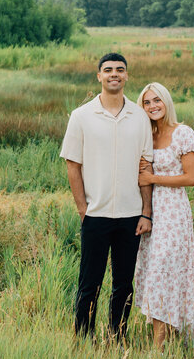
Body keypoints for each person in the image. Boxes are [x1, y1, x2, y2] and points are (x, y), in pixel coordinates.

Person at [60, 53, 154, 340]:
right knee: (90, 282)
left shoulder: (140, 117)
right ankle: (84, 338)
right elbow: (72, 164)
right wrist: (82, 208)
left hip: (130, 215)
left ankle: (118, 335)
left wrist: (146, 211)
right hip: (96, 214)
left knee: (124, 283)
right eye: (108, 70)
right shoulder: (81, 116)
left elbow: (145, 166)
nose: (115, 74)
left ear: (127, 76)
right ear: (99, 76)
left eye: (120, 70)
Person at [134, 82, 194, 348]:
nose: (153, 106)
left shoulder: (182, 133)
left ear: (167, 102)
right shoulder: (146, 137)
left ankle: (158, 348)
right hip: (150, 211)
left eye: (157, 100)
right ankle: (165, 337)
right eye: (147, 102)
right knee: (153, 271)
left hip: (174, 211)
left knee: (165, 269)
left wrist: (153, 177)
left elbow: (191, 178)